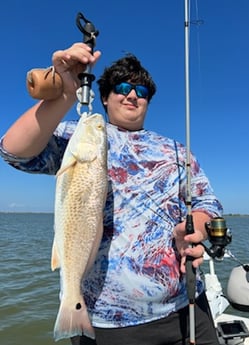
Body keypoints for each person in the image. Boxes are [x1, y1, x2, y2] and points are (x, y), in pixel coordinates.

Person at [0, 43, 223, 345]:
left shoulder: (175, 150)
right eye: (122, 87)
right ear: (104, 97)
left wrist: (193, 225)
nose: (132, 95)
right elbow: (13, 151)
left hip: (185, 308)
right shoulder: (82, 133)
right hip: (104, 320)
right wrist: (65, 93)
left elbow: (207, 200)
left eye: (141, 92)